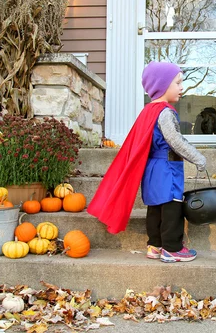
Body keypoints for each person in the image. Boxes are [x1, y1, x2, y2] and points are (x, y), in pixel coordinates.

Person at [87, 61, 207, 263]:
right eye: (177, 83)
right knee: (172, 205)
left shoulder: (147, 111)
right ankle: (172, 248)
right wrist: (197, 158)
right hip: (167, 167)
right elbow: (175, 140)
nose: (181, 88)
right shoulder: (165, 112)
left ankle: (155, 245)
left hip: (151, 168)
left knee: (155, 206)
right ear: (163, 85)